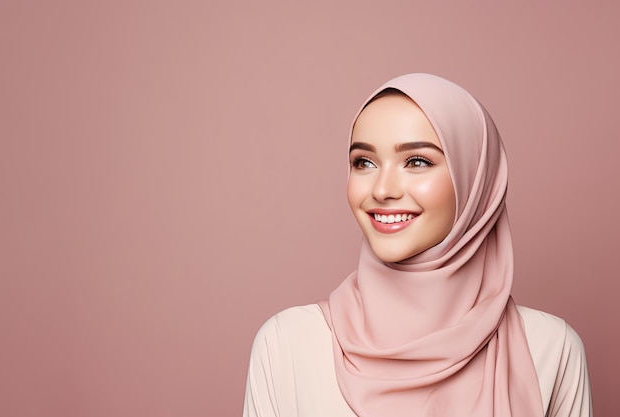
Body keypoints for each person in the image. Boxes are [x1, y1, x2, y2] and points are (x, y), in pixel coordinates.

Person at [242, 73, 592, 416]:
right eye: (363, 162)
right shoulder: (288, 345)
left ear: (474, 179)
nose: (382, 189)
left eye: (417, 161)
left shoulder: (550, 348)